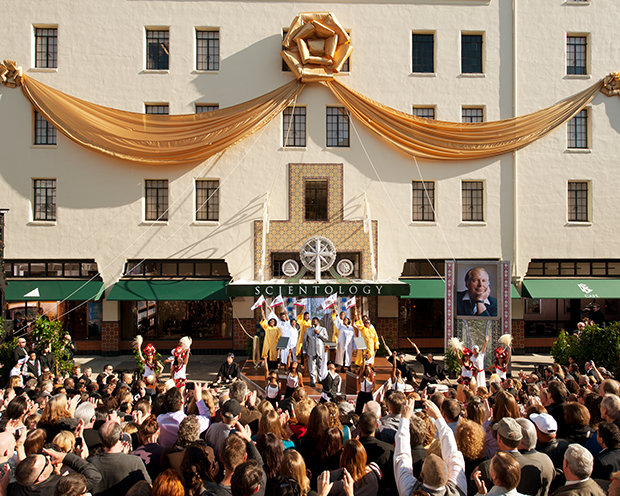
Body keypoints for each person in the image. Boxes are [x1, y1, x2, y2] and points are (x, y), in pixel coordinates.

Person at [394, 398, 467, 496]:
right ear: (448, 475)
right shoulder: (458, 490)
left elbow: (401, 456)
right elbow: (453, 454)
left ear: (421, 475)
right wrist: (438, 417)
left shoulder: (410, 491)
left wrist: (405, 418)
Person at [87, 421, 151, 496]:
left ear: (100, 440)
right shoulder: (135, 462)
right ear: (121, 436)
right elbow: (147, 487)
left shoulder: (90, 463)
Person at [303, 317, 328, 387]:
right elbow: (304, 341)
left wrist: (319, 334)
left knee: (320, 366)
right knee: (311, 366)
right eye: (312, 321)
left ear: (318, 322)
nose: (313, 322)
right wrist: (304, 351)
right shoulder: (308, 330)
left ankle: (320, 379)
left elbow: (326, 339)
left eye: (315, 321)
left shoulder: (323, 329)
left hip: (320, 350)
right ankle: (313, 380)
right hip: (311, 350)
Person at [261, 307, 282, 371]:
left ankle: (275, 368)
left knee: (275, 356)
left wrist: (279, 344)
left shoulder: (277, 328)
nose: (272, 322)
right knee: (268, 355)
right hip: (268, 343)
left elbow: (279, 336)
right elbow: (264, 320)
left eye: (273, 321)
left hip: (275, 344)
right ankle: (269, 368)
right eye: (270, 321)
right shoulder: (267, 328)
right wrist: (263, 314)